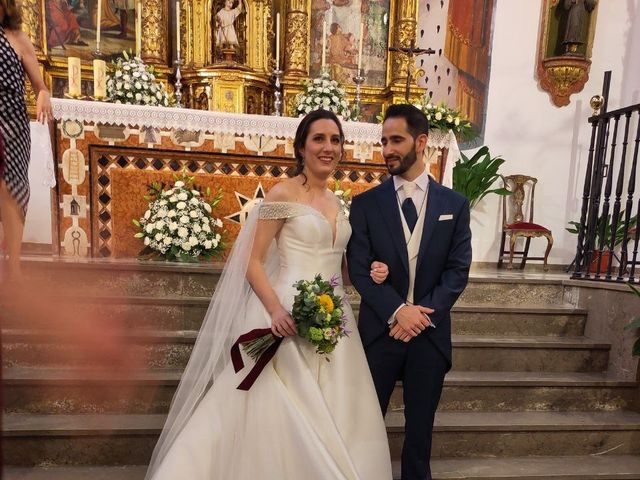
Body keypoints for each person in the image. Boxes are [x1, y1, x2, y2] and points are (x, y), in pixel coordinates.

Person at [145, 109, 393, 480]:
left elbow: (337, 268)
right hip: (286, 315)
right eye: (319, 139)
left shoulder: (337, 203)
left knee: (339, 405)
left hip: (334, 319)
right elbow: (251, 260)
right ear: (301, 147)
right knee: (278, 408)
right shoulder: (283, 193)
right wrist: (276, 311)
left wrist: (370, 272)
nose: (329, 147)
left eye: (336, 140)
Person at [347, 104, 472, 480]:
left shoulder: (455, 205)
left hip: (429, 335)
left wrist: (419, 316)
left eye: (396, 140)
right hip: (380, 332)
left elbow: (457, 270)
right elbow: (358, 269)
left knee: (420, 434)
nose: (387, 149)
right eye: (384, 141)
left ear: (421, 142)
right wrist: (398, 310)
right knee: (365, 429)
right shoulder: (366, 204)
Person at [0, 0, 53, 280]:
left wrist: (43, 95)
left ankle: (15, 266)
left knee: (15, 188)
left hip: (13, 123)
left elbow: (40, 86)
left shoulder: (17, 39)